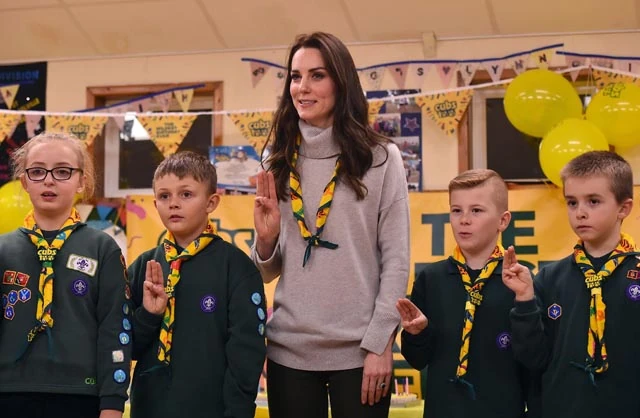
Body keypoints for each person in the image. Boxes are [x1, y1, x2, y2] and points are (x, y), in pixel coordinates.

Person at [252, 31, 410, 418]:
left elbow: (396, 259)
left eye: (317, 75)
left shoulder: (381, 158)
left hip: (361, 352)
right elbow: (268, 271)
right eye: (295, 77)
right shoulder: (277, 160)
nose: (302, 88)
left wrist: (380, 343)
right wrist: (266, 241)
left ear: (342, 82)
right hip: (289, 352)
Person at [0, 132, 131, 418]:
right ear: (24, 182)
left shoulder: (102, 248)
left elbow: (115, 329)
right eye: (37, 171)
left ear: (81, 181)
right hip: (9, 394)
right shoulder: (3, 249)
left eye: (62, 171)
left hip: (81, 396)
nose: (49, 180)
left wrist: (112, 404)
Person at [128, 151, 266, 418]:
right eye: (164, 196)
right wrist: (149, 316)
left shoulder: (236, 267)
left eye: (186, 194)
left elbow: (246, 353)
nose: (174, 204)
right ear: (155, 203)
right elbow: (126, 345)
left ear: (211, 202)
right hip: (149, 408)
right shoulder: (143, 267)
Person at [503, 151, 640, 418]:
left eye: (593, 201)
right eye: (572, 202)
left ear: (624, 208)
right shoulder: (548, 278)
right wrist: (525, 301)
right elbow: (533, 359)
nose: (580, 213)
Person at [397, 169, 532, 417]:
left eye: (476, 210)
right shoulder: (432, 279)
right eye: (456, 210)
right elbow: (417, 359)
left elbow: (533, 359)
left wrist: (526, 304)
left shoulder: (519, 282)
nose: (464, 220)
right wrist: (417, 334)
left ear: (503, 221)